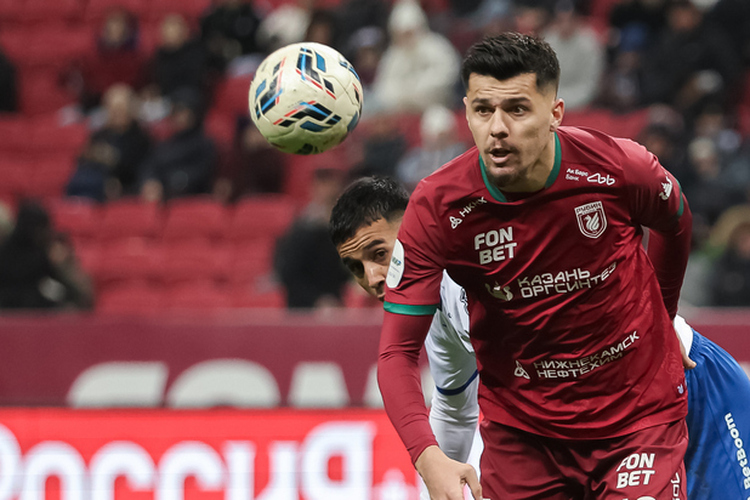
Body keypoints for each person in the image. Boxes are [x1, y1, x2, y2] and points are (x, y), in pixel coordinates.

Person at [377, 32, 694, 500]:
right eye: (483, 110)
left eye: (517, 110)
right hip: (523, 437)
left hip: (637, 419)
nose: (497, 128)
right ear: (466, 111)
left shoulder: (620, 168)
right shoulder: (437, 207)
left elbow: (676, 223)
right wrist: (428, 458)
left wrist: (664, 316)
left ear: (555, 113)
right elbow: (397, 352)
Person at [330, 175, 750, 500]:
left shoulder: (484, 249)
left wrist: (659, 317)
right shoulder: (436, 316)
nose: (373, 278)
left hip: (687, 393)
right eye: (356, 267)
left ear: (413, 228)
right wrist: (436, 480)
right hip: (589, 433)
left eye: (380, 254)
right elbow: (455, 409)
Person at [274, 168, 351, 309]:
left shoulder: (344, 232)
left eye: (329, 184)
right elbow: (289, 274)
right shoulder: (300, 230)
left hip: (335, 305)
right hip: (303, 308)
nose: (325, 190)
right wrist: (316, 301)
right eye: (321, 184)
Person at [0, 200, 94, 310]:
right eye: (40, 229)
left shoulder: (51, 252)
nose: (44, 233)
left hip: (47, 313)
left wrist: (63, 266)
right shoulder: (7, 254)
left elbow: (83, 296)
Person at [67, 84, 152, 202]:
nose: (116, 113)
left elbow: (139, 170)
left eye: (120, 109)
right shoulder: (98, 135)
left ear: (131, 110)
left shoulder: (141, 138)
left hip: (123, 191)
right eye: (112, 109)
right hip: (90, 185)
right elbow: (83, 160)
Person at [139, 87, 217, 202]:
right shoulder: (165, 144)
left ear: (194, 113)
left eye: (181, 111)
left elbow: (197, 176)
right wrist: (150, 181)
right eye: (173, 112)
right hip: (162, 201)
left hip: (191, 202)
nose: (176, 117)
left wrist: (165, 184)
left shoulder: (204, 145)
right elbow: (150, 166)